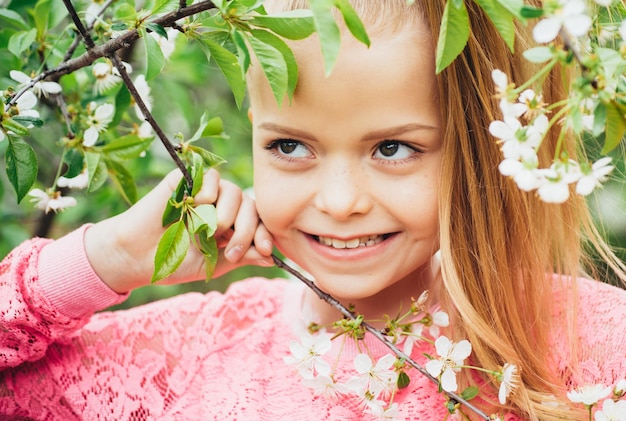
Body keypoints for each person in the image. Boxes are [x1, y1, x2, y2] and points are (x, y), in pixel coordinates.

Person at [1, 0, 625, 420]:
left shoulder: (585, 340)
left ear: (480, 147)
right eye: (290, 146)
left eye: (393, 148)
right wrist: (105, 261)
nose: (339, 201)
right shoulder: (184, 357)